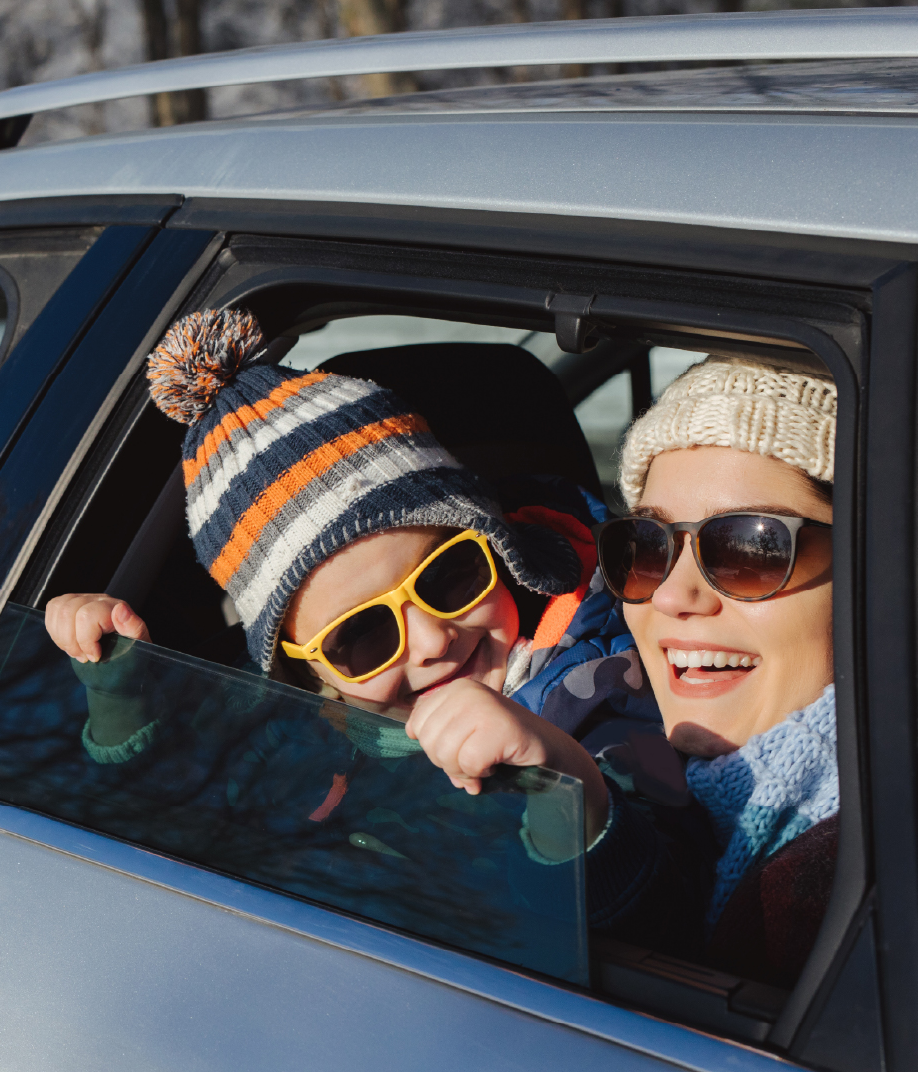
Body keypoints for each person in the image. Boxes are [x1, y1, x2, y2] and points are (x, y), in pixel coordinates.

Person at [47, 308, 617, 851]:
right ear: (300, 663)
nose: (433, 640)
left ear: (496, 544)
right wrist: (117, 694)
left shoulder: (602, 672)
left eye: (450, 577)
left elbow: (654, 901)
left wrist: (563, 778)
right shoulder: (279, 730)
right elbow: (159, 817)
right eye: (361, 635)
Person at [584, 356, 838, 984]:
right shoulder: (621, 759)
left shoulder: (822, 891)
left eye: (751, 546)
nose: (671, 595)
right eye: (645, 546)